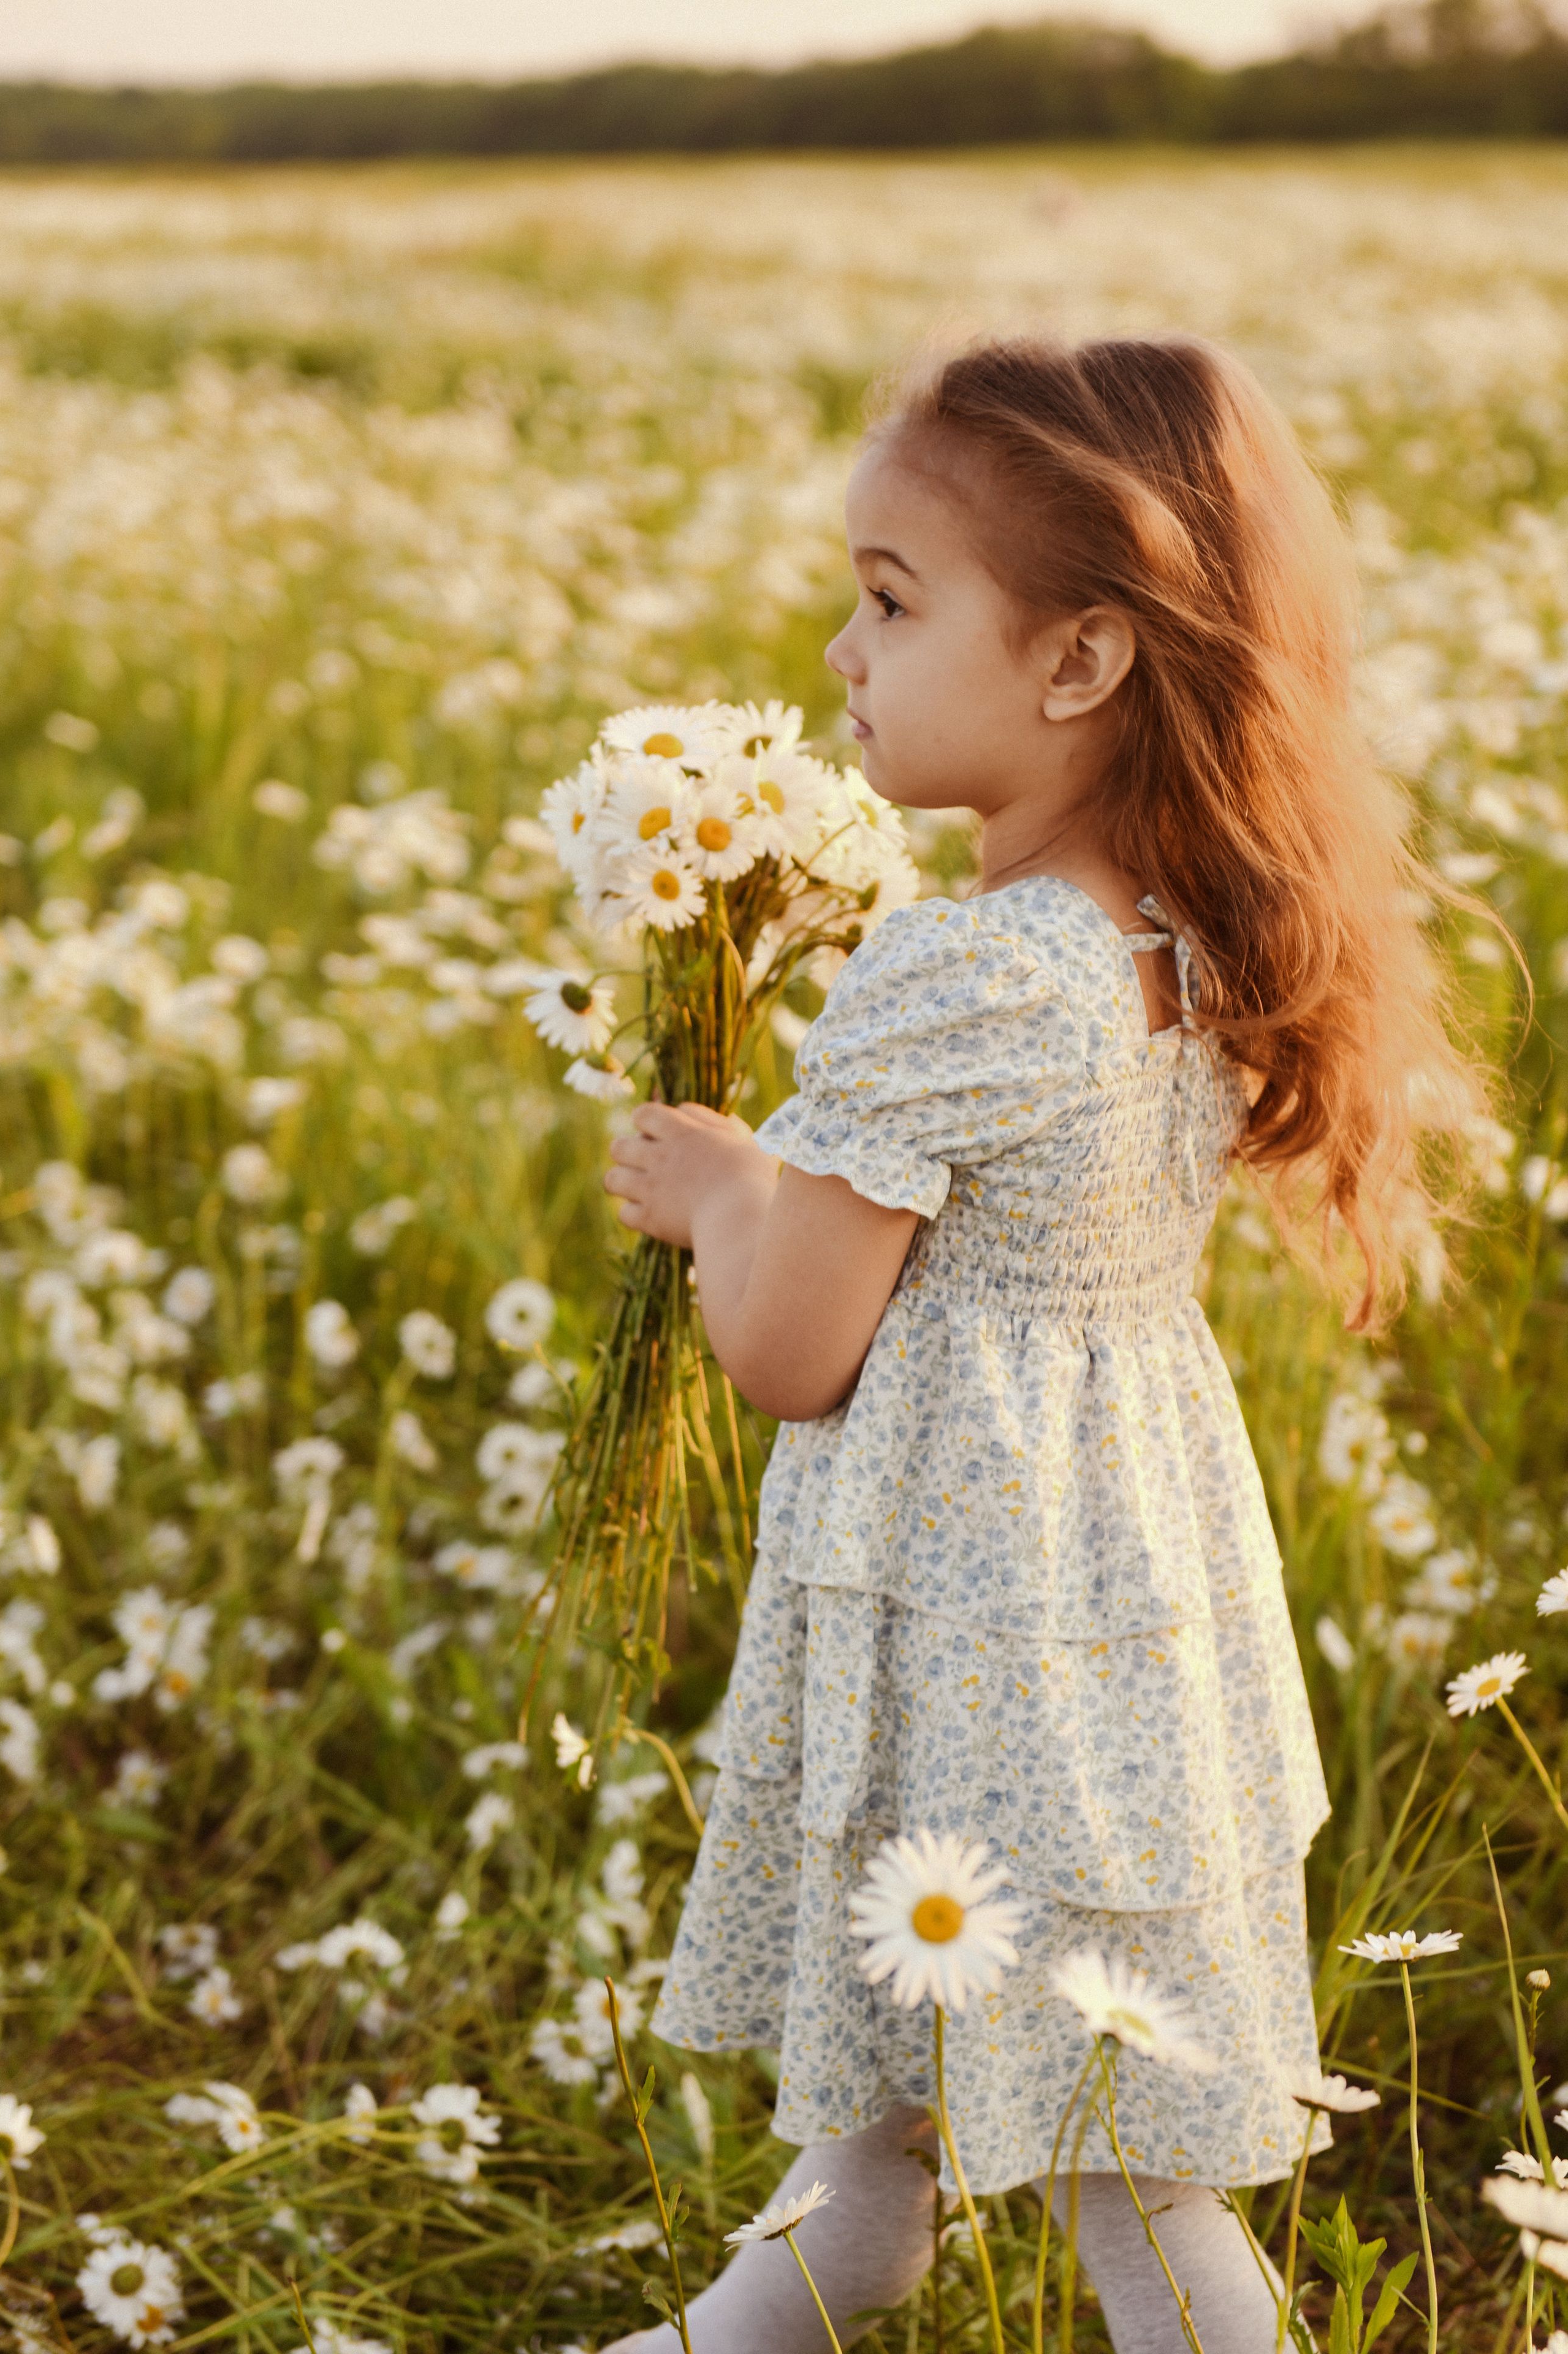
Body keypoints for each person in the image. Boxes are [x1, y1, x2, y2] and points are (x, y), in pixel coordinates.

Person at [597, 333, 1486, 2353]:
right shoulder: (1188, 932)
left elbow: (793, 1352)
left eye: (893, 602)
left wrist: (723, 1185)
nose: (841, 651)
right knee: (1040, 2135)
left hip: (967, 1617)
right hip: (1122, 1600)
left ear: (1082, 662)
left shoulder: (953, 968)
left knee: (1099, 2169)